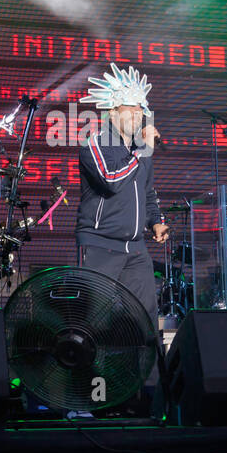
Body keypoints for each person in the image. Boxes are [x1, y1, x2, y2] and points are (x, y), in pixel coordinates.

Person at [75, 64, 167, 323]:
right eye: (132, 108)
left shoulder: (140, 150)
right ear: (113, 113)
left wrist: (155, 221)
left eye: (142, 108)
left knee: (144, 322)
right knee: (97, 322)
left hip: (136, 248)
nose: (140, 114)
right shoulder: (95, 143)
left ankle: (148, 364)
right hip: (101, 244)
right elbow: (112, 179)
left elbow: (147, 192)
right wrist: (143, 150)